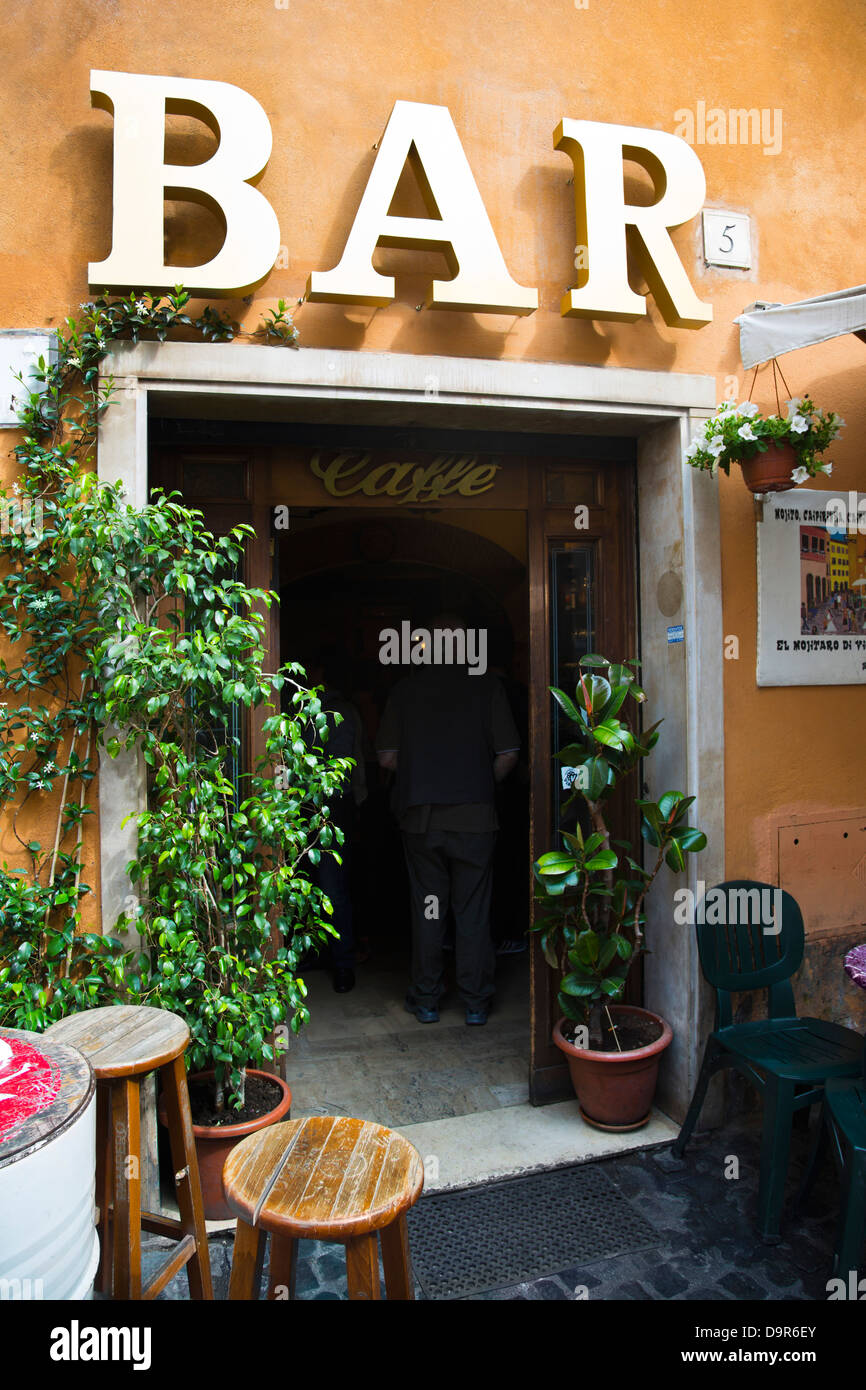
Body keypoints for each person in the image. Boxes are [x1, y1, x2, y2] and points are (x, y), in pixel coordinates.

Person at [375, 614, 520, 1026]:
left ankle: (427, 1000)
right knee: (472, 911)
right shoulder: (488, 687)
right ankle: (475, 1003)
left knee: (430, 909)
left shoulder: (405, 691)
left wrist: (423, 772)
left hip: (422, 821)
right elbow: (509, 754)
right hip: (475, 819)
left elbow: (386, 757)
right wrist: (477, 782)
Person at [299, 649, 367, 993]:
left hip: (324, 808)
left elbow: (343, 770)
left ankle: (339, 962)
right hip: (334, 807)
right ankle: (334, 959)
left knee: (327, 885)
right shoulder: (342, 710)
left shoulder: (324, 711)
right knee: (327, 885)